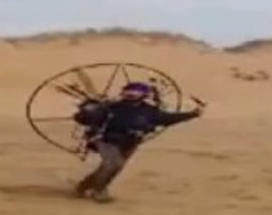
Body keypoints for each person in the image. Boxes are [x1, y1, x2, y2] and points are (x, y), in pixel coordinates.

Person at [72, 81, 204, 202]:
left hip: (130, 142)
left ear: (143, 95)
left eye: (135, 93)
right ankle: (98, 190)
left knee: (113, 167)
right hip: (106, 140)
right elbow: (83, 118)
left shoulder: (149, 111)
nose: (131, 95)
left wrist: (193, 114)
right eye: (128, 92)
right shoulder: (110, 107)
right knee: (113, 164)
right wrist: (87, 111)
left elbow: (167, 118)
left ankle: (83, 187)